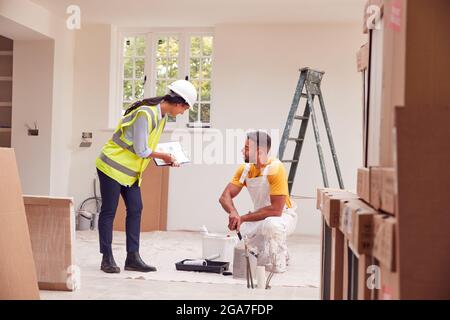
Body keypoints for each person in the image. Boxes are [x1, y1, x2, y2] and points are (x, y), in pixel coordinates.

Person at [95, 80, 197, 273]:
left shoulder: (162, 116)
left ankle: (133, 258)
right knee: (109, 211)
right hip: (111, 165)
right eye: (185, 108)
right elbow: (142, 150)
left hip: (129, 172)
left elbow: (146, 146)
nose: (183, 112)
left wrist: (168, 156)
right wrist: (164, 156)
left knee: (135, 208)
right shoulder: (146, 113)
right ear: (178, 103)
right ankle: (106, 258)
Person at [219, 130, 298, 273]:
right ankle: (280, 252)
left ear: (259, 151)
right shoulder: (245, 169)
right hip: (261, 216)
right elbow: (225, 196)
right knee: (249, 252)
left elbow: (276, 210)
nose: (243, 151)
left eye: (247, 148)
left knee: (271, 225)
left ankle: (279, 261)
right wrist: (234, 213)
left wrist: (243, 218)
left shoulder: (275, 168)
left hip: (283, 217)